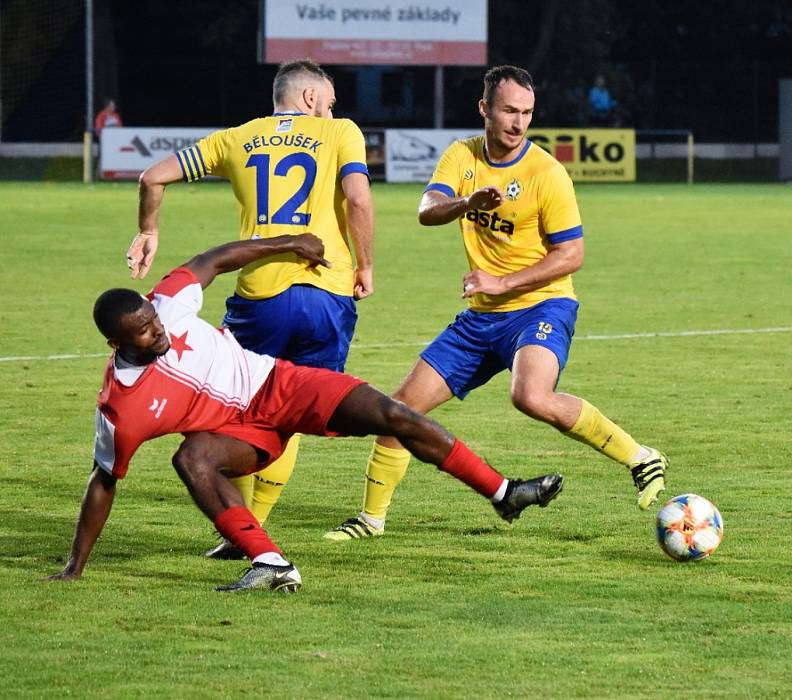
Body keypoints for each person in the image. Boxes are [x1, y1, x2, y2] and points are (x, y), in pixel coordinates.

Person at [48, 234, 564, 592]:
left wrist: (288, 244)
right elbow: (104, 481)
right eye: (142, 329)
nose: (156, 328)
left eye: (151, 316)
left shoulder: (167, 304)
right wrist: (75, 566)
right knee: (192, 459)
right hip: (240, 433)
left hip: (279, 383)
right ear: (117, 343)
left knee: (395, 414)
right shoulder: (121, 409)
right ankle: (270, 562)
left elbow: (216, 258)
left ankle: (502, 492)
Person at [324, 65, 667, 542]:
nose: (518, 122)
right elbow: (427, 211)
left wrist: (505, 283)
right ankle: (371, 519)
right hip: (482, 317)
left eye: (527, 112)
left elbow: (572, 255)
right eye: (509, 110)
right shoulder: (462, 156)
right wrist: (467, 203)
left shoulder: (547, 173)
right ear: (485, 108)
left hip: (541, 306)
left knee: (531, 396)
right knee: (398, 410)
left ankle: (639, 456)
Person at [128, 59, 374, 558]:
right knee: (295, 410)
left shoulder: (236, 138)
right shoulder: (342, 133)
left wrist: (149, 231)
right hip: (327, 292)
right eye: (327, 102)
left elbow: (152, 177)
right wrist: (365, 266)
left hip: (260, 297)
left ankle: (240, 532)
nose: (332, 110)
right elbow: (358, 200)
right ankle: (252, 528)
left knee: (239, 408)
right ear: (309, 99)